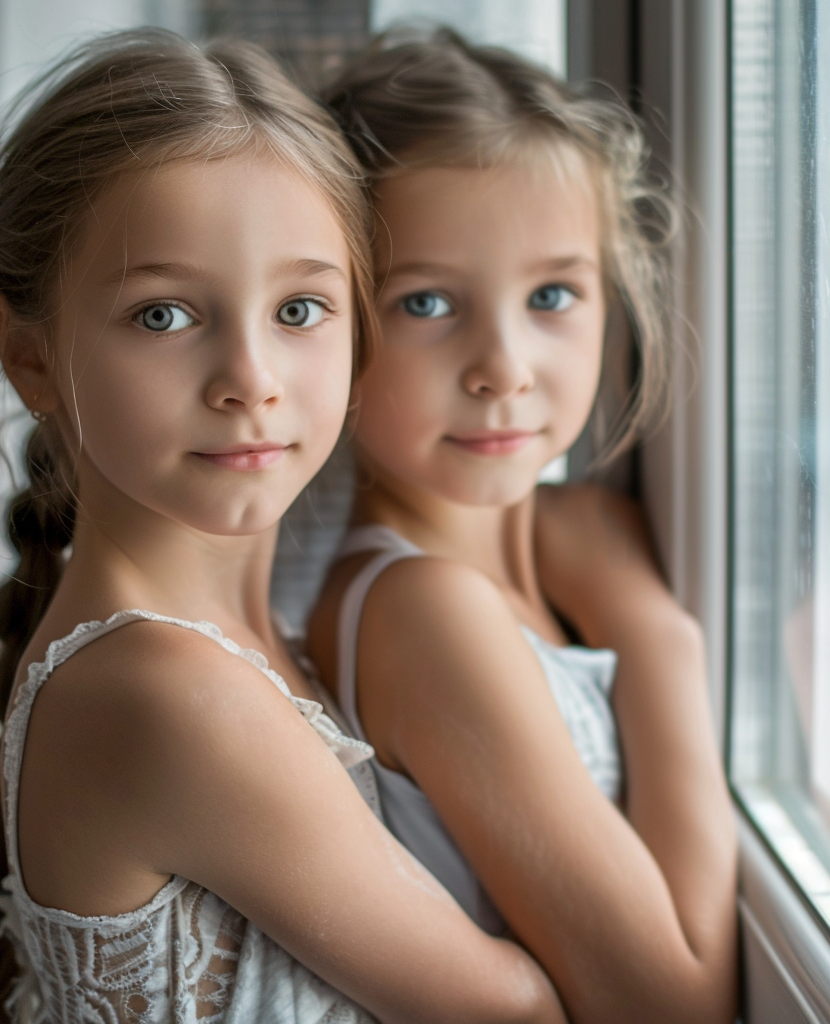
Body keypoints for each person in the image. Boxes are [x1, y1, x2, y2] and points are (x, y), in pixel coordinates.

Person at [0, 29, 568, 1024]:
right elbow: (519, 1010)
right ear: (29, 353)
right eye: (164, 316)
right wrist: (655, 641)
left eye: (300, 310)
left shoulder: (272, 638)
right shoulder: (169, 695)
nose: (251, 383)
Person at [308, 28, 738, 1024]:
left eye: (551, 294)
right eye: (425, 301)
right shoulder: (422, 608)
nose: (503, 364)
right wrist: (654, 634)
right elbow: (668, 1010)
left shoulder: (525, 565)